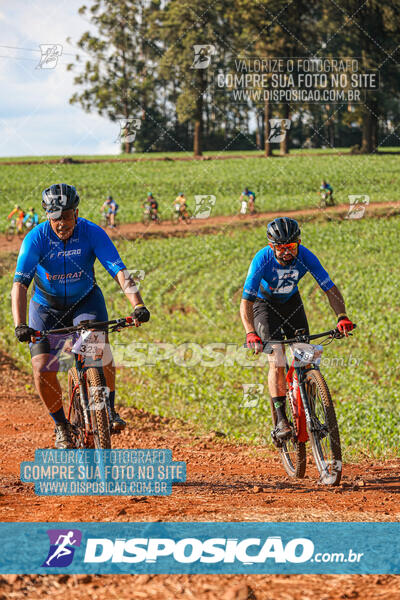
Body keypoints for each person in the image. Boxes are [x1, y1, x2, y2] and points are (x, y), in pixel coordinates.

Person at [11, 183, 150, 449]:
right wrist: (20, 324)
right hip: (46, 307)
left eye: (66, 216)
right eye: (55, 217)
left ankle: (106, 409)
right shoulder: (36, 239)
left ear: (76, 212)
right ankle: (61, 425)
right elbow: (19, 285)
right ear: (47, 216)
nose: (61, 223)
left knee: (99, 348)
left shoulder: (91, 232)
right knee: (42, 367)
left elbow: (118, 270)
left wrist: (137, 304)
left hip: (85, 301)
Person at [240, 216, 354, 440]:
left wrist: (341, 316)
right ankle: (281, 419)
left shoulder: (306, 256)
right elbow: (246, 302)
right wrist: (250, 332)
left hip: (291, 303)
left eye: (291, 247)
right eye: (280, 248)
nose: (286, 253)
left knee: (306, 356)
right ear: (271, 247)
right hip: (265, 306)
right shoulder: (261, 259)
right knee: (278, 359)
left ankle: (310, 411)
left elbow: (328, 287)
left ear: (298, 243)